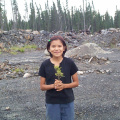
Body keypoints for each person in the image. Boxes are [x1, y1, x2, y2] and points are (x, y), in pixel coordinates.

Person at [39, 36, 79, 120]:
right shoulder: (45, 65)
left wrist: (64, 86)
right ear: (49, 49)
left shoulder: (69, 63)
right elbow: (42, 86)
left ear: (64, 48)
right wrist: (54, 86)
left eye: (59, 46)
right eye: (53, 46)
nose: (56, 49)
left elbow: (76, 83)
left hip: (67, 100)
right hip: (52, 102)